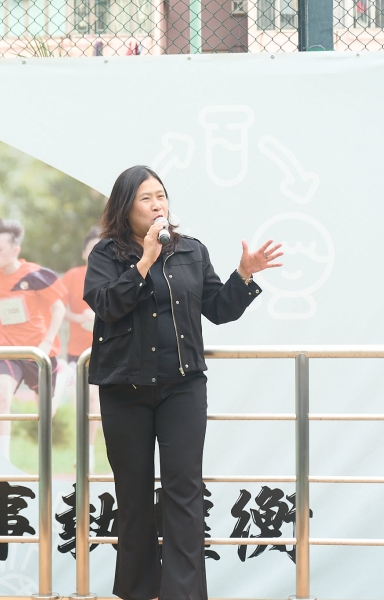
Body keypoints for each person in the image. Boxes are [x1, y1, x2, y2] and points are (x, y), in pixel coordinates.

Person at [83, 165, 283, 600]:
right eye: (146, 198)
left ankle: (183, 594)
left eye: (161, 196)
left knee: (184, 493)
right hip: (124, 390)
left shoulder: (191, 250)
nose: (157, 205)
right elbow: (106, 304)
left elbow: (219, 309)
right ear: (125, 207)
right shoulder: (106, 255)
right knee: (133, 496)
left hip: (182, 387)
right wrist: (145, 261)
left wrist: (244, 276)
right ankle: (138, 591)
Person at [0, 218, 67, 460]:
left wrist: (47, 341)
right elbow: (9, 309)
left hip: (39, 352)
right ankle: (1, 461)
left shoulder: (35, 275)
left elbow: (59, 308)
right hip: (9, 349)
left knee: (45, 413)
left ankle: (63, 375)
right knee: (1, 395)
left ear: (15, 250)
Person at [62, 225, 101, 473]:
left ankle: (90, 450)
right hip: (77, 350)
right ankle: (83, 448)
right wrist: (78, 318)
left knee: (95, 398)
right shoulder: (72, 276)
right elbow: (58, 308)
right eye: (92, 248)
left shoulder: (116, 275)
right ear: (84, 252)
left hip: (105, 348)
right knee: (82, 401)